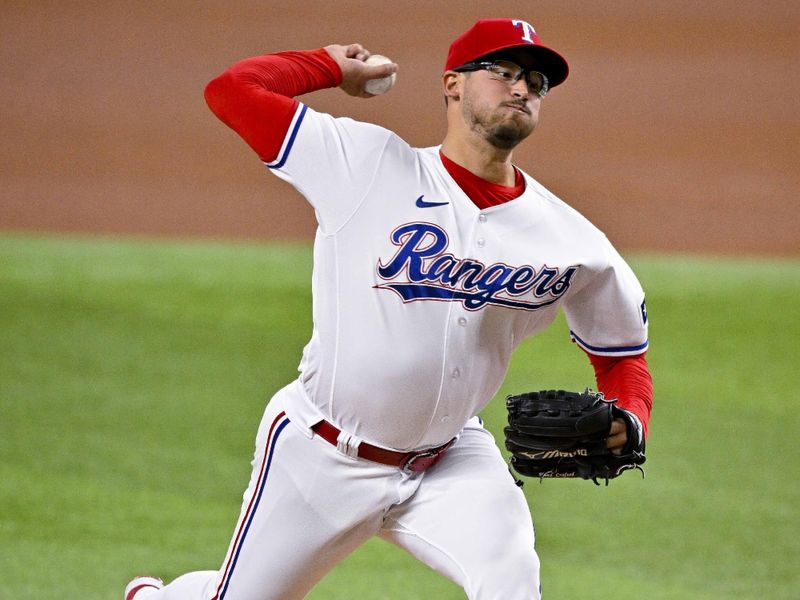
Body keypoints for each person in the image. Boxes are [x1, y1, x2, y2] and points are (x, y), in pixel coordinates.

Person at [125, 17, 653, 600]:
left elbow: (624, 354)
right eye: (502, 72)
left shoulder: (569, 238)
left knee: (512, 581)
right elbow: (232, 91)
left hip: (451, 462)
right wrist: (329, 66)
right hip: (321, 455)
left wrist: (630, 420)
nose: (522, 88)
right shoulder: (366, 165)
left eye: (536, 80)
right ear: (452, 84)